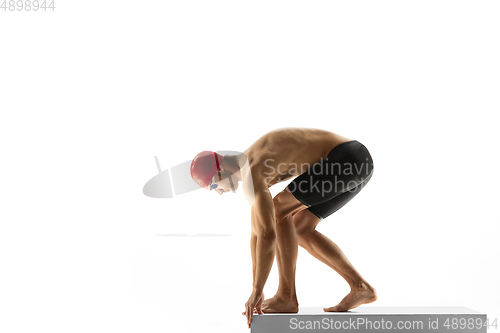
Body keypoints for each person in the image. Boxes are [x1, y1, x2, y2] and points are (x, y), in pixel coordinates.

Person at [190, 127, 377, 328]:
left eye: (212, 187)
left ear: (219, 171)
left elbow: (268, 235)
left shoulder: (252, 173)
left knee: (279, 210)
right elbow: (257, 234)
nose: (218, 193)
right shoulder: (251, 162)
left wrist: (257, 290)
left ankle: (286, 296)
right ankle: (360, 287)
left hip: (344, 161)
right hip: (357, 161)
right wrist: (256, 287)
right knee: (300, 228)